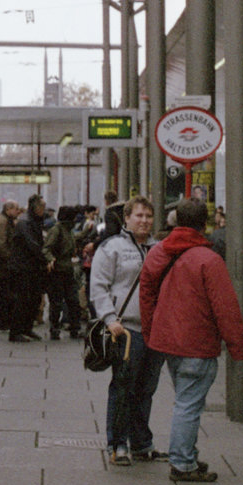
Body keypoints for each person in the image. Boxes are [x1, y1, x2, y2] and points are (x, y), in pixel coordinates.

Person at [140, 197, 243, 482]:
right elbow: (226, 308)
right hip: (197, 344)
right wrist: (237, 346)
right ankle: (183, 463)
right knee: (188, 404)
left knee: (185, 400)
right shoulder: (209, 260)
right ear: (205, 223)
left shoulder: (157, 252)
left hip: (168, 343)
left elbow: (146, 297)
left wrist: (151, 332)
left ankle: (186, 453)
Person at [90, 195, 162, 466]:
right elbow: (98, 286)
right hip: (126, 331)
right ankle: (118, 444)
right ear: (128, 218)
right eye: (139, 215)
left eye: (148, 216)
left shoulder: (159, 248)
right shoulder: (112, 247)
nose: (144, 221)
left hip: (155, 331)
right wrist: (110, 319)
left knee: (146, 390)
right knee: (123, 388)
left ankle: (142, 443)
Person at [8, 193, 48, 342]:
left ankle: (27, 328)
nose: (44, 210)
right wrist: (45, 259)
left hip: (32, 268)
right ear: (35, 208)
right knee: (23, 300)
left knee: (34, 299)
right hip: (22, 268)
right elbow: (33, 245)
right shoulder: (25, 223)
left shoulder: (34, 221)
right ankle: (16, 331)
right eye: (42, 207)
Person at [44, 204, 83, 340]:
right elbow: (46, 249)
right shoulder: (57, 230)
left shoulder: (68, 230)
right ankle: (55, 329)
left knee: (73, 301)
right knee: (57, 302)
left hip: (67, 270)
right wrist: (51, 259)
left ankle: (74, 328)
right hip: (57, 271)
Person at [0, 200, 18, 331]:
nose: (17, 212)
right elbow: (1, 244)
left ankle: (5, 322)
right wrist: (11, 258)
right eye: (16, 209)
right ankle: (3, 322)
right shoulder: (2, 222)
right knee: (6, 295)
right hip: (1, 265)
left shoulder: (4, 220)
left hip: (1, 264)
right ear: (9, 210)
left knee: (6, 295)